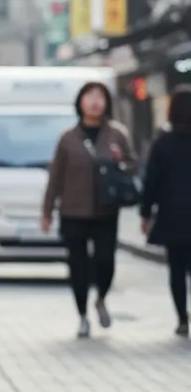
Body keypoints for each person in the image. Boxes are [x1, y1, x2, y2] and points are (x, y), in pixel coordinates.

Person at [41, 81, 135, 339]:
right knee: (78, 266)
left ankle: (101, 297)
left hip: (106, 210)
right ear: (80, 102)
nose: (95, 101)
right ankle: (82, 315)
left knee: (106, 261)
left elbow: (133, 167)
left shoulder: (117, 134)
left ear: (107, 103)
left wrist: (120, 161)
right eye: (90, 96)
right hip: (73, 210)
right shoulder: (68, 138)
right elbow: (56, 177)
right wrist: (47, 211)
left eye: (100, 97)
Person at [139, 86, 191, 336]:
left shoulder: (162, 143)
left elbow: (151, 181)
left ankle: (182, 318)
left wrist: (145, 212)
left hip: (172, 215)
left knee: (177, 268)